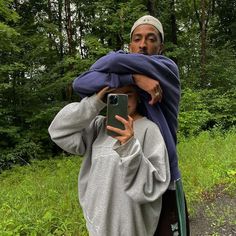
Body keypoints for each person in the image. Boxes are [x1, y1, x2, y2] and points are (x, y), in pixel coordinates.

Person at [73, 15, 190, 235]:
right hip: (124, 176)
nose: (143, 45)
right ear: (130, 45)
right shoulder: (128, 76)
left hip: (162, 176)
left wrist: (120, 72)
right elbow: (80, 84)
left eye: (150, 38)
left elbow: (110, 63)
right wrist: (133, 79)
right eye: (137, 39)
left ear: (161, 46)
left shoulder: (167, 69)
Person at [48, 85, 170, 236]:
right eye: (113, 97)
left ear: (138, 97)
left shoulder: (149, 129)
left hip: (132, 226)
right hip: (98, 225)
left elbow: (155, 184)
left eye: (128, 95)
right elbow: (58, 131)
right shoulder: (98, 127)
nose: (121, 101)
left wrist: (129, 145)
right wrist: (94, 102)